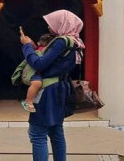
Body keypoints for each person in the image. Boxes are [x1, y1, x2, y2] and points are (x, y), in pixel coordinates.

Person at [20, 9, 85, 161]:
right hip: (60, 88)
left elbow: (39, 64)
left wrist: (27, 46)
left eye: (52, 23)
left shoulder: (61, 41)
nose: (49, 27)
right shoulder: (74, 41)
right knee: (56, 131)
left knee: (38, 133)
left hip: (47, 91)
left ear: (62, 23)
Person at [21, 33, 54, 112]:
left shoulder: (49, 50)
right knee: (37, 83)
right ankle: (28, 102)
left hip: (42, 73)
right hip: (34, 72)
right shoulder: (41, 50)